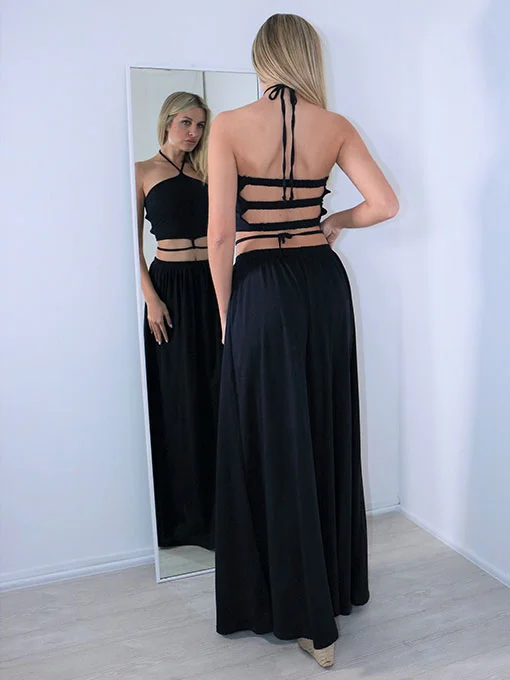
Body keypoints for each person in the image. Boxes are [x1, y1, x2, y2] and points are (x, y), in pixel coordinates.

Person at [207, 14, 399, 669]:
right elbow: (384, 204)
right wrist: (333, 219)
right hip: (321, 284)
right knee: (320, 426)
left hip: (262, 287)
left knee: (271, 437)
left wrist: (228, 315)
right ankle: (331, 592)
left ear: (262, 58)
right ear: (307, 58)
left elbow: (219, 237)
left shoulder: (230, 125)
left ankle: (299, 613)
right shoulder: (334, 125)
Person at [135, 92, 222, 551]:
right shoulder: (142, 171)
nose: (194, 132)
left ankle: (220, 512)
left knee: (215, 390)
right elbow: (129, 244)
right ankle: (183, 516)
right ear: (167, 121)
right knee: (178, 395)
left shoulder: (209, 172)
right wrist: (151, 297)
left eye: (201, 125)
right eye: (186, 122)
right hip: (167, 287)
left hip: (210, 283)